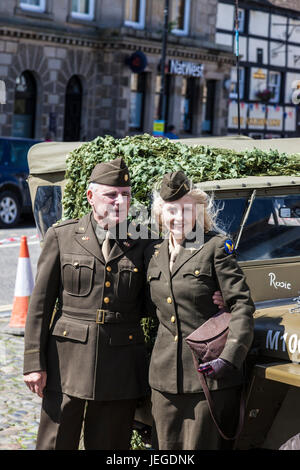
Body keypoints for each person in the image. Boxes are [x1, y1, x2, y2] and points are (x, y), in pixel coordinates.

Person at [23, 157, 151, 450]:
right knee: (55, 442)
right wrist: (34, 363)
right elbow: (40, 304)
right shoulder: (63, 236)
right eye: (111, 194)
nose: (120, 201)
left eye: (126, 195)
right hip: (65, 361)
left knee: (110, 446)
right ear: (91, 197)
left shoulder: (144, 243)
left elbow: (156, 299)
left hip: (119, 364)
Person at [144, 170, 255, 450]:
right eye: (171, 210)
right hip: (164, 379)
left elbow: (242, 304)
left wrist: (230, 358)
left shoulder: (215, 248)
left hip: (209, 377)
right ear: (160, 213)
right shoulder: (153, 254)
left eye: (186, 210)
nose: (178, 218)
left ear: (198, 211)